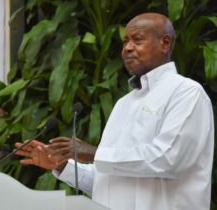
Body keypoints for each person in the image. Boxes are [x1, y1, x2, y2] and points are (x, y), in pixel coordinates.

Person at [15, 13, 214, 210]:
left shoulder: (186, 93)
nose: (127, 48)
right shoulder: (123, 104)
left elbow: (168, 159)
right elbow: (108, 182)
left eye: (137, 40)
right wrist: (62, 165)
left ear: (165, 43)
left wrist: (95, 153)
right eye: (125, 41)